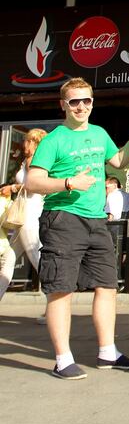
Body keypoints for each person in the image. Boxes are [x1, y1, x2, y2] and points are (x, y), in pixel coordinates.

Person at [24, 77, 129, 380]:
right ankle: (62, 360)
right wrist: (68, 183)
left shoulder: (100, 133)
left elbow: (118, 160)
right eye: (74, 101)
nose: (81, 106)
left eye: (86, 100)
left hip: (96, 220)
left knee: (107, 286)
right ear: (63, 105)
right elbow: (33, 181)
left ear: (93, 102)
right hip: (62, 219)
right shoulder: (54, 139)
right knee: (60, 290)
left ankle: (108, 352)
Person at [0, 128, 47, 301]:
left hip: (28, 214)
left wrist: (11, 188)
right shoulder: (31, 160)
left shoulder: (33, 161)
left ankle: (56, 299)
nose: (24, 143)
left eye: (27, 140)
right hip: (26, 214)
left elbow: (34, 185)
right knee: (8, 259)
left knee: (36, 257)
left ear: (34, 142)